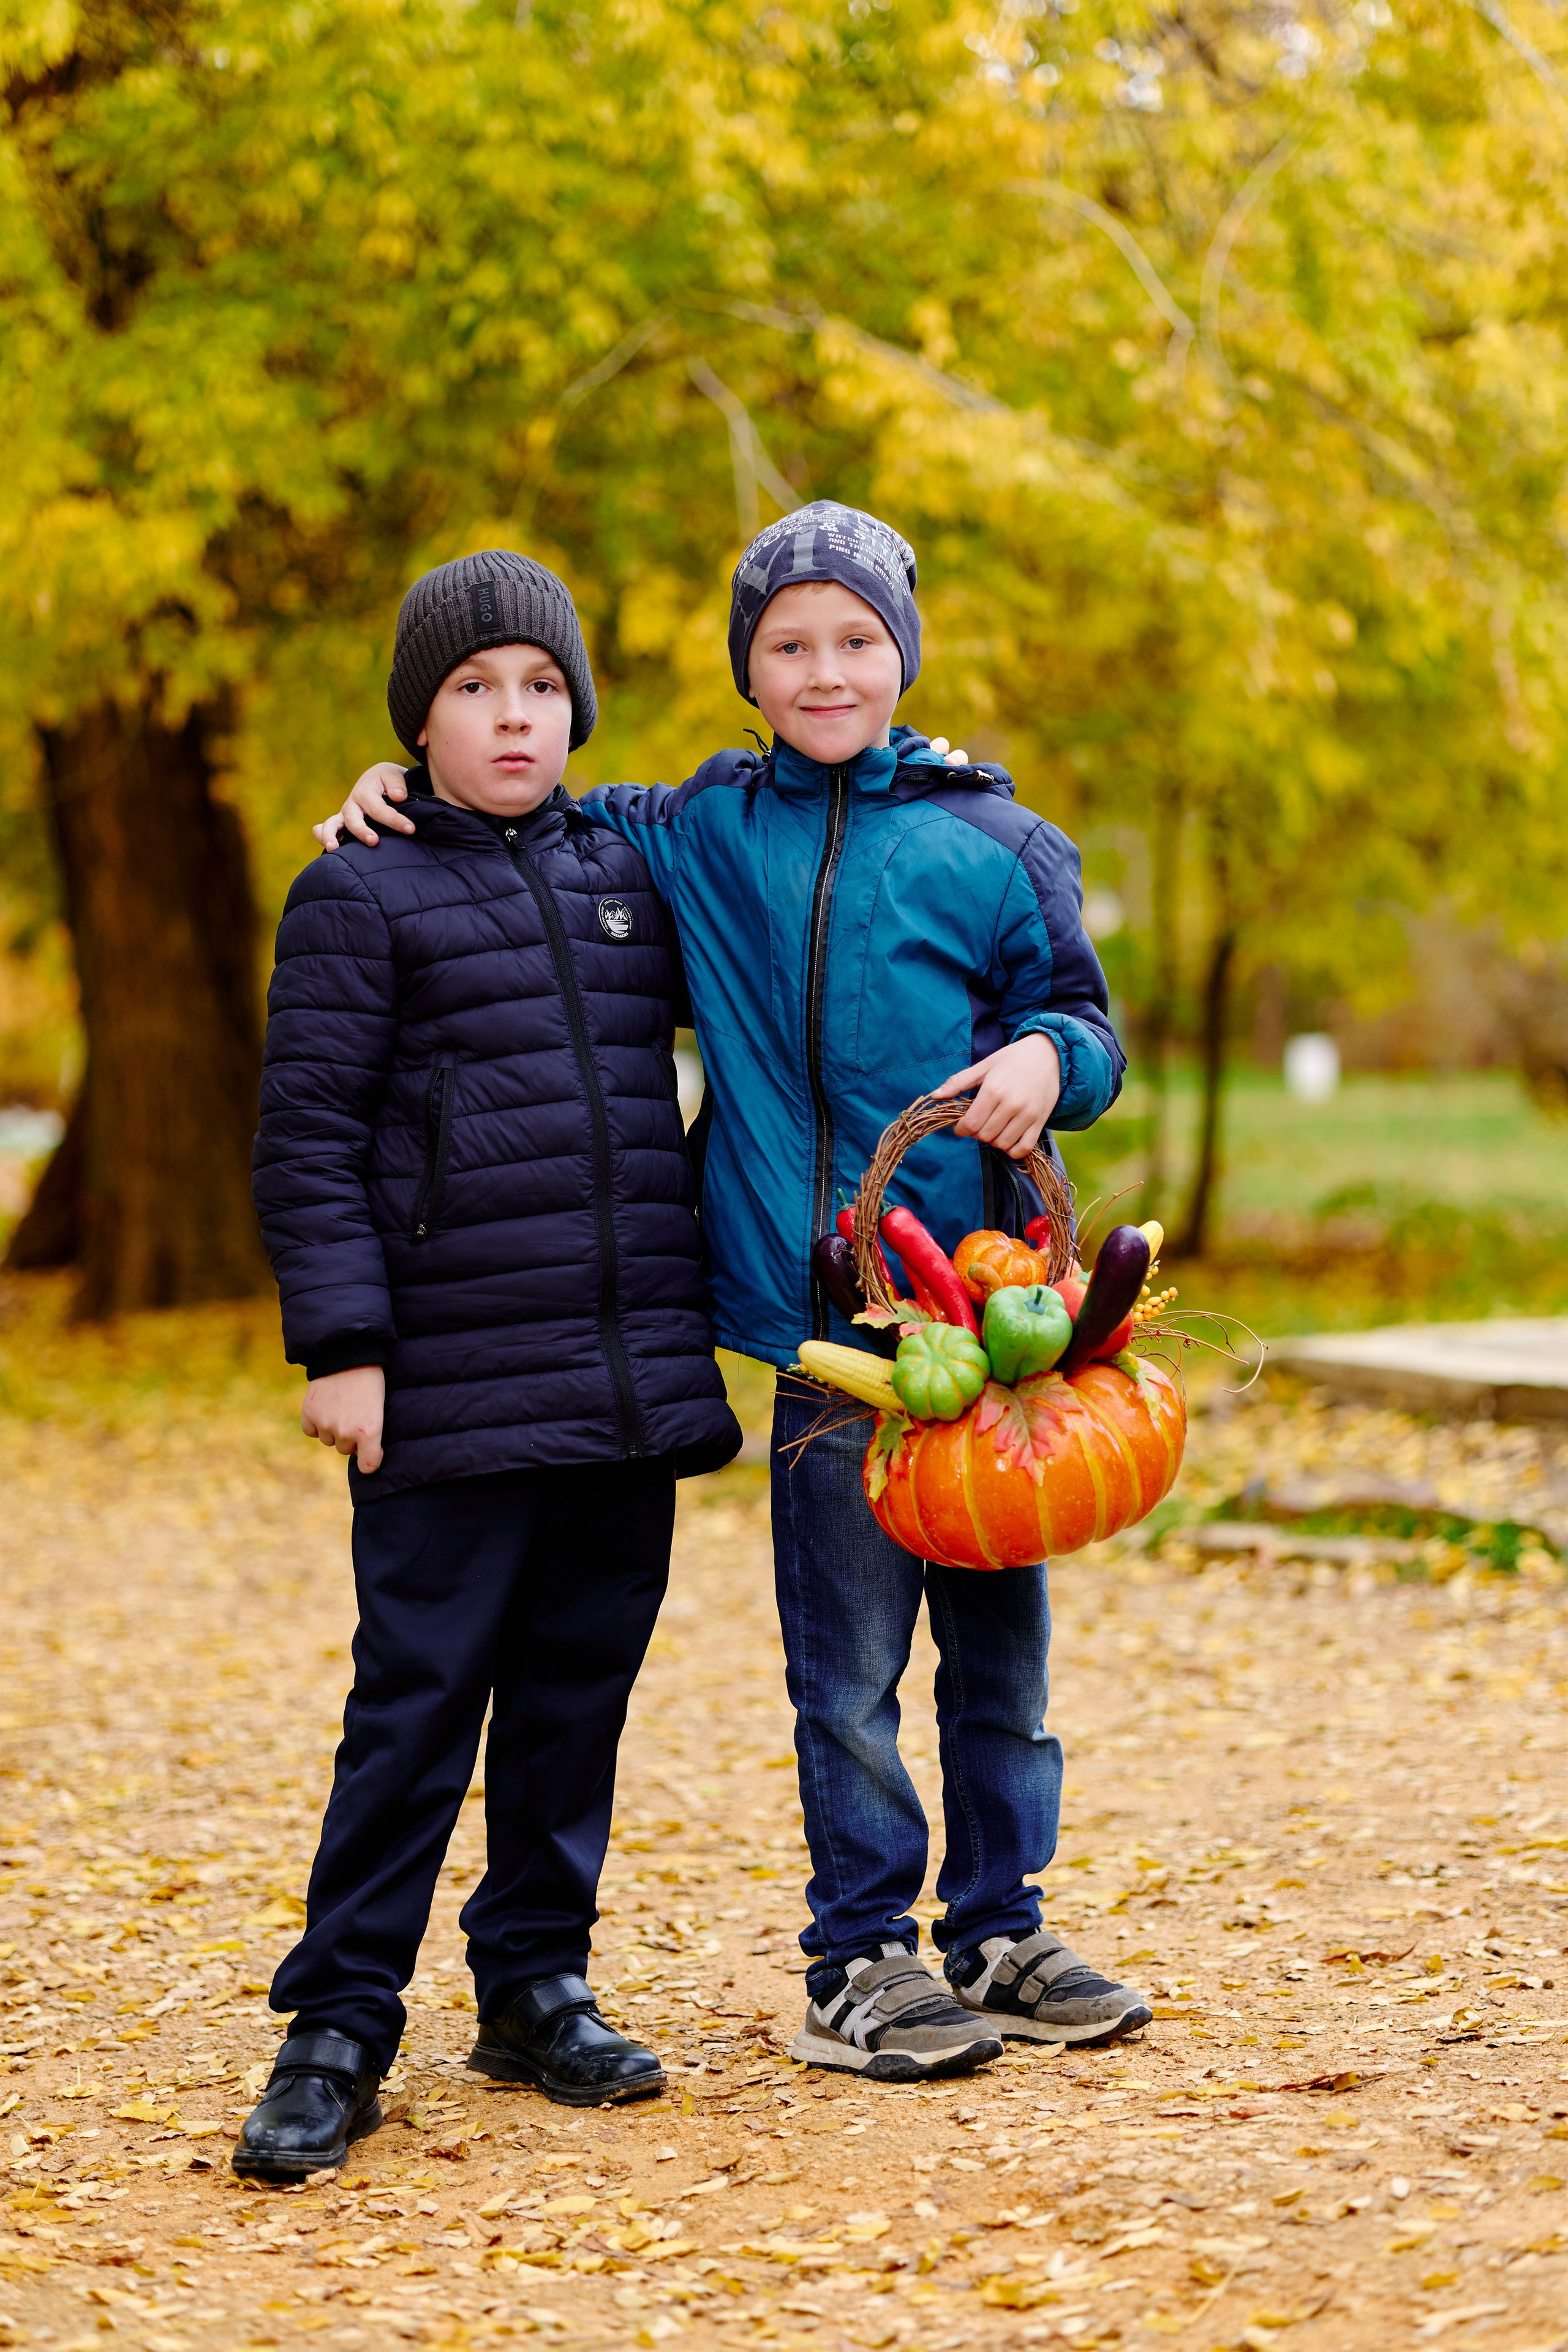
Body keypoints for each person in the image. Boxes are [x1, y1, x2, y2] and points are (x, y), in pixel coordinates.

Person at [318, 504, 1152, 2082]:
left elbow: (1087, 1026)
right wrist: (387, 789)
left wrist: (1054, 1058)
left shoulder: (999, 838)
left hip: (993, 1328)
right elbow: (523, 792)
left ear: (902, 653)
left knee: (1003, 1657)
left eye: (857, 640)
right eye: (789, 646)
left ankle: (1001, 1921)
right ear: (748, 674)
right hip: (829, 1330)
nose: (825, 670)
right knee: (845, 1671)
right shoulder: (691, 830)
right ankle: (860, 1956)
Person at [239, 551, 741, 2178]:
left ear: (576, 709)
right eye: (472, 690)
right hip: (448, 1382)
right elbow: (307, 1135)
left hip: (620, 1374)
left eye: (538, 687)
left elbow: (772, 822)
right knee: (416, 1702)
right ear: (420, 722)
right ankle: (338, 2023)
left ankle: (534, 1982)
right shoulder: (357, 893)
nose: (511, 715)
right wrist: (346, 1344)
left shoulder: (634, 874)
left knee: (572, 1701)